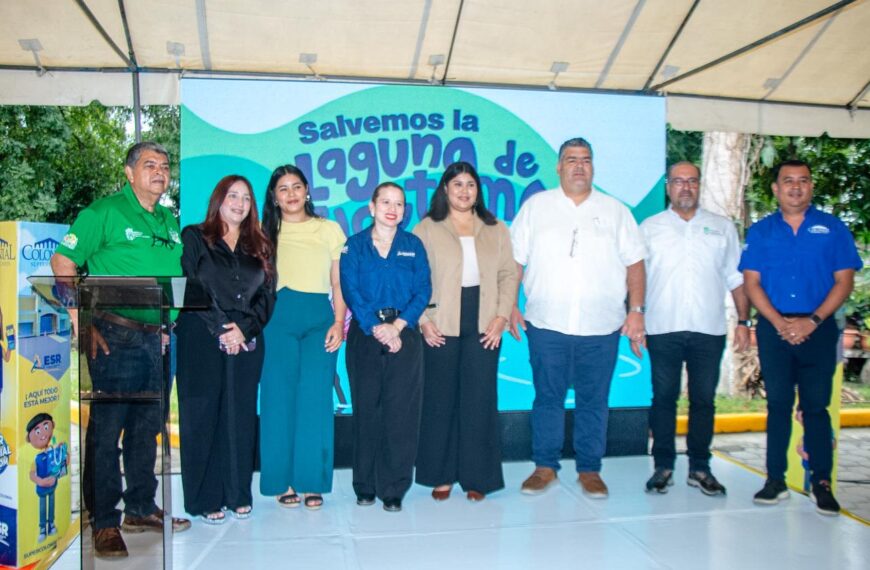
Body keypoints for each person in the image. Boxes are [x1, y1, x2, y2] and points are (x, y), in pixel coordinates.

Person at [50, 141, 191, 559]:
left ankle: (141, 507)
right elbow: (63, 262)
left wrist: (167, 322)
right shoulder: (104, 212)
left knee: (148, 427)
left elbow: (173, 277)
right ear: (129, 173)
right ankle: (105, 522)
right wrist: (81, 318)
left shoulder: (168, 219)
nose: (159, 172)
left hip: (155, 337)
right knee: (108, 431)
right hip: (115, 333)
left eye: (165, 166)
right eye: (150, 165)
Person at [510, 137, 647, 498]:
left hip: (601, 326)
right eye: (571, 160)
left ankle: (590, 469)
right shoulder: (536, 208)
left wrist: (636, 312)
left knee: (594, 399)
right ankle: (544, 467)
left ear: (593, 167)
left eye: (586, 160)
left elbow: (635, 264)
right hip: (546, 323)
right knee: (547, 397)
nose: (579, 166)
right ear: (558, 167)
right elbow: (515, 262)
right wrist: (509, 304)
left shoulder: (616, 211)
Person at [740, 159, 862, 516]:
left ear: (811, 187)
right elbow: (752, 283)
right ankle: (774, 479)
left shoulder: (833, 228)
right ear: (776, 189)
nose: (796, 187)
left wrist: (813, 320)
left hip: (819, 330)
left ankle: (821, 482)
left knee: (816, 407)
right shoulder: (762, 232)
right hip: (774, 330)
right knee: (777, 405)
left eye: (803, 181)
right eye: (787, 181)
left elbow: (844, 281)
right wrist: (779, 323)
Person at [641, 161, 750, 496]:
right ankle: (663, 466)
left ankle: (700, 468)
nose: (685, 187)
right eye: (678, 181)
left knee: (704, 401)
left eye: (691, 181)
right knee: (664, 399)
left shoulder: (722, 227)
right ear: (668, 187)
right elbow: (635, 277)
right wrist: (632, 316)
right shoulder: (650, 227)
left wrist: (744, 322)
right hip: (662, 326)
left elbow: (736, 277)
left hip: (708, 328)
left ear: (699, 185)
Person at [413, 162, 517, 502]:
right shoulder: (427, 228)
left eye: (470, 184)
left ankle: (478, 476)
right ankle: (441, 476)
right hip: (440, 318)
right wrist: (424, 320)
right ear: (445, 189)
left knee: (479, 399)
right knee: (440, 401)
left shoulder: (495, 228)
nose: (463, 191)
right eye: (456, 184)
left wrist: (502, 317)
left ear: (478, 190)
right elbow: (415, 278)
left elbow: (508, 275)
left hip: (484, 318)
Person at [175, 175, 274, 524]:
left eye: (246, 198)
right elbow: (189, 285)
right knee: (202, 416)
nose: (240, 203)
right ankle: (204, 498)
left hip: (246, 337)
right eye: (233, 195)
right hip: (201, 334)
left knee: (240, 416)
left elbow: (267, 296)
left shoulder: (259, 244)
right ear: (219, 199)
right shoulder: (194, 236)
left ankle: (237, 493)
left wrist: (243, 329)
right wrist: (221, 329)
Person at [258, 165, 347, 510]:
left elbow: (338, 282)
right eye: (283, 188)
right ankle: (281, 481)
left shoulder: (329, 229)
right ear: (274, 197)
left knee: (315, 400)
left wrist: (339, 322)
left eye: (297, 186)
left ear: (307, 191)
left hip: (319, 321)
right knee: (278, 400)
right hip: (276, 320)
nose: (291, 193)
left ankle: (312, 482)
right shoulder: (263, 232)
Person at [340, 182, 431, 512]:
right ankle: (364, 485)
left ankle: (394, 487)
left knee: (400, 414)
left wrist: (397, 326)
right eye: (386, 202)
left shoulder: (413, 246)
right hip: (366, 334)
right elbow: (351, 290)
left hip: (404, 333)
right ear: (372, 207)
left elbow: (423, 290)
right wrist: (376, 327)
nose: (393, 209)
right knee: (367, 411)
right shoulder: (354, 247)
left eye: (400, 204)